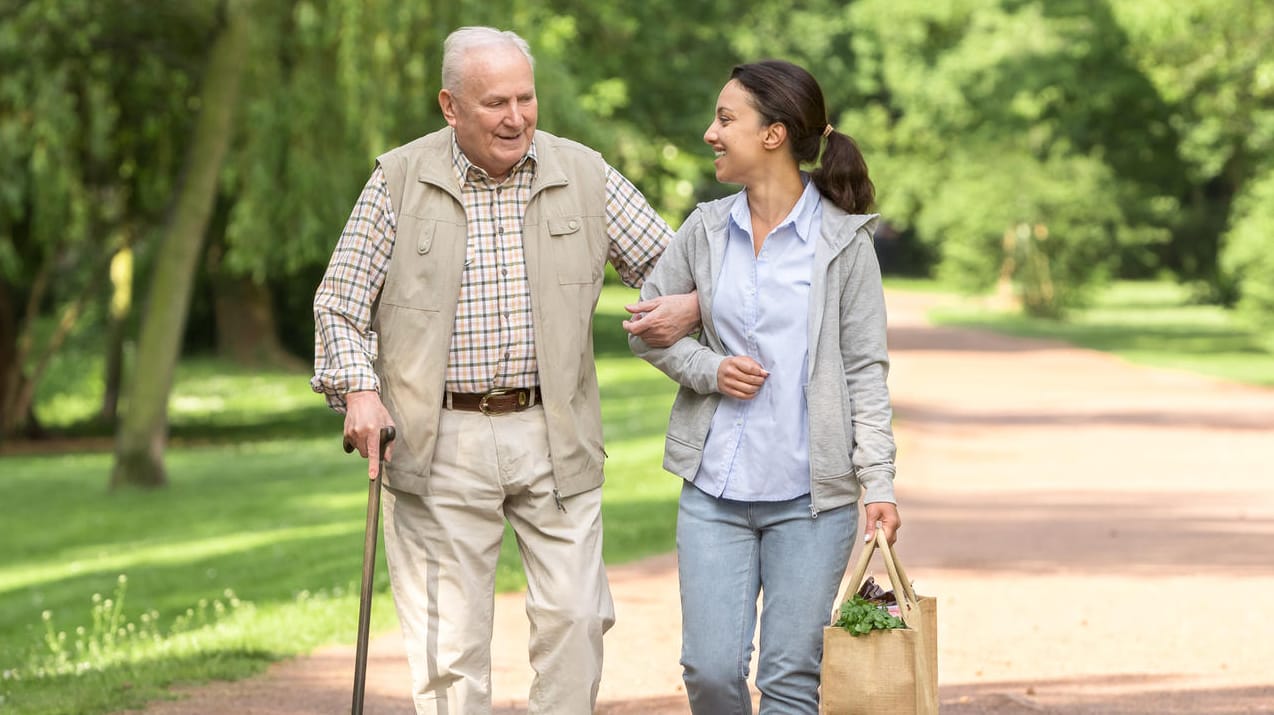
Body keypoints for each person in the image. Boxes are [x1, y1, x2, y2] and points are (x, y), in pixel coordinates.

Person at [311, 26, 699, 715]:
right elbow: (338, 304)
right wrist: (360, 391)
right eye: (494, 103)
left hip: (557, 428)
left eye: (526, 97)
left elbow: (672, 267)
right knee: (448, 648)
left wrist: (691, 303)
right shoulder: (398, 179)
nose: (516, 117)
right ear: (450, 106)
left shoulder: (582, 172)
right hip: (438, 439)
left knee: (577, 620)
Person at [627, 60, 903, 714]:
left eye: (726, 119)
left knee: (789, 678)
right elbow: (644, 328)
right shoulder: (704, 229)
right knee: (711, 670)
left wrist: (881, 480)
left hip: (813, 500)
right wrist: (710, 370)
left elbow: (866, 368)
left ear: (774, 133)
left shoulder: (843, 242)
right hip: (714, 492)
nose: (710, 133)